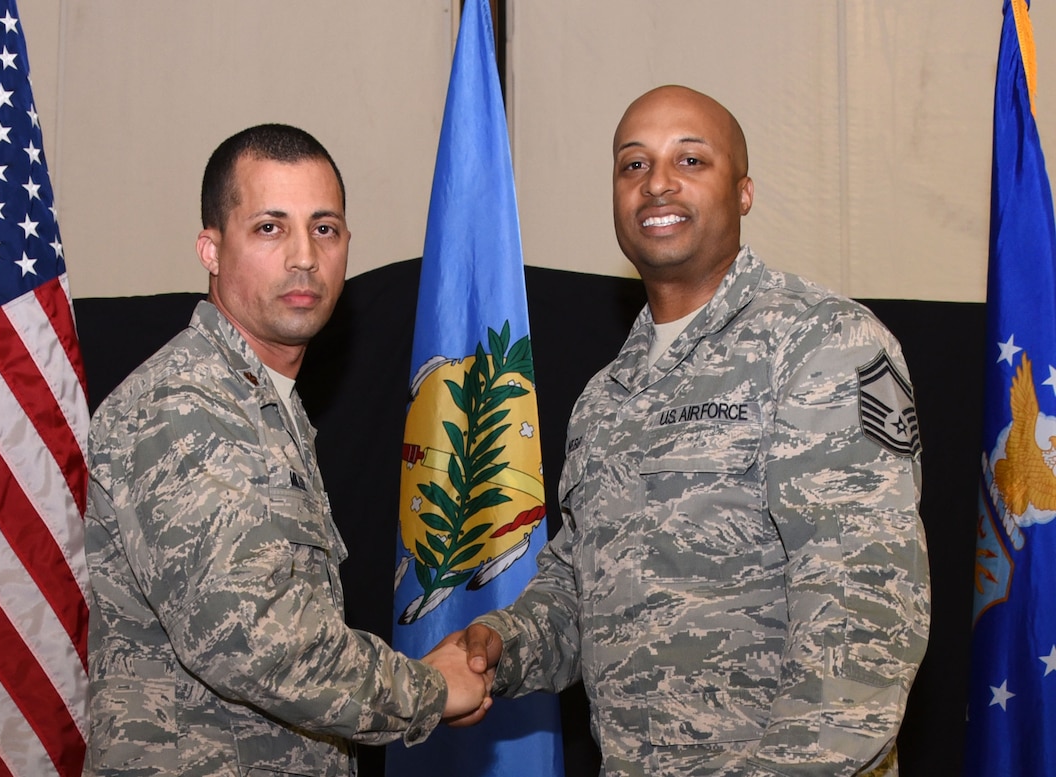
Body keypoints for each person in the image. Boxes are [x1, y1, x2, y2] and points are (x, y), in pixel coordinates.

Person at [458, 86, 931, 776]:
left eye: (690, 159)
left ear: (743, 192)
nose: (658, 183)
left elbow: (866, 613)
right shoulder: (605, 397)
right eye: (633, 165)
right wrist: (501, 645)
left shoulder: (822, 342)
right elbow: (585, 582)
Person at [83, 123, 489, 776]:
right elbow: (257, 642)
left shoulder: (269, 406)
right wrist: (429, 689)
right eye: (270, 228)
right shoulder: (184, 405)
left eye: (323, 228)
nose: (303, 255)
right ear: (210, 248)